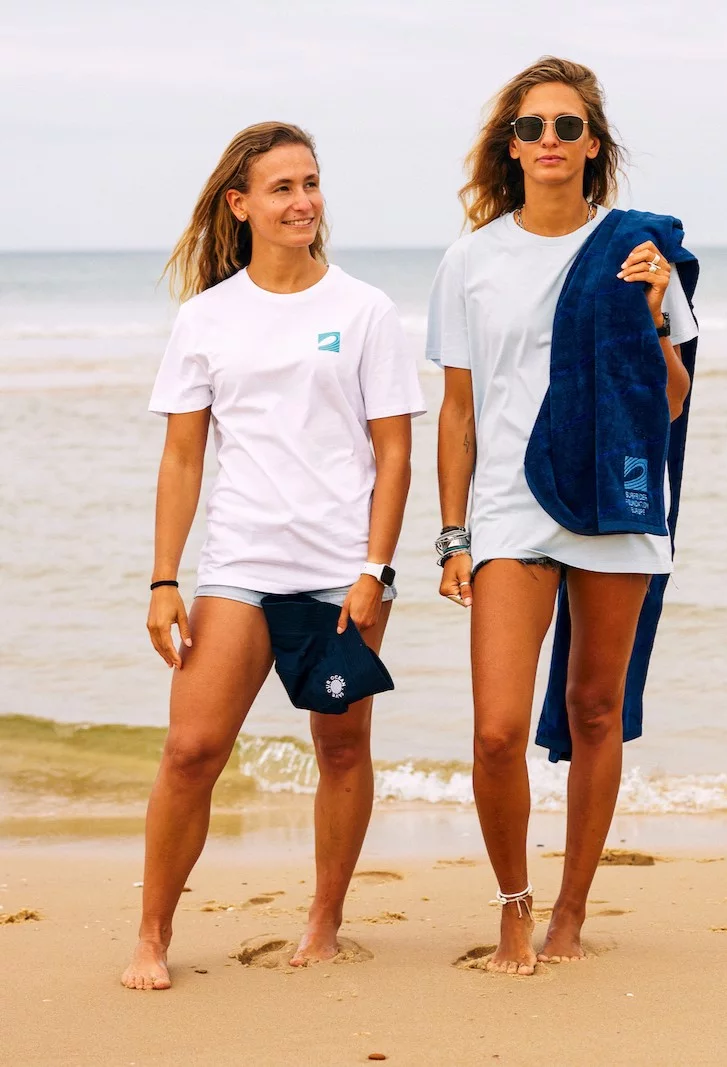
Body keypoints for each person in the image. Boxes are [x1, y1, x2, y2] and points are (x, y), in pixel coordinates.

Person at [121, 122, 424, 990]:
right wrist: (164, 578)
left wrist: (374, 570)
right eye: (282, 187)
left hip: (342, 570)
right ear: (240, 204)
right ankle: (152, 932)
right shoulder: (205, 317)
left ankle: (325, 917)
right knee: (191, 750)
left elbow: (394, 452)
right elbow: (183, 458)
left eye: (311, 183)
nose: (302, 201)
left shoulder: (362, 309)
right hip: (240, 565)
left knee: (341, 748)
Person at [428, 57, 698, 974]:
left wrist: (651, 312)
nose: (550, 139)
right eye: (532, 127)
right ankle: (514, 903)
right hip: (511, 505)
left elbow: (668, 404)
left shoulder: (639, 252)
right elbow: (457, 414)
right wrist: (454, 534)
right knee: (497, 729)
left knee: (594, 707)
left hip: (616, 499)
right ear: (511, 147)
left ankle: (572, 910)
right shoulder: (470, 260)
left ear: (593, 145)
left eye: (567, 126)